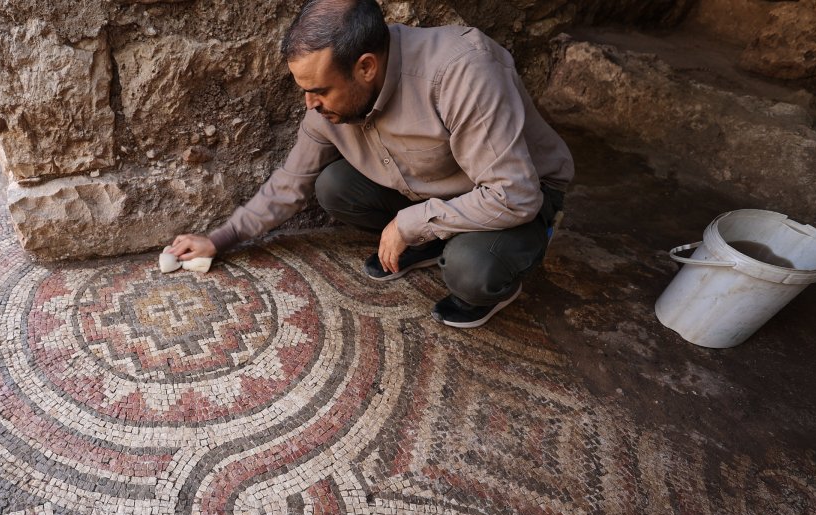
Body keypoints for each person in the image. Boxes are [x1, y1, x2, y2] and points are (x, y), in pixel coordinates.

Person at [166, 0, 574, 328]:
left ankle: (496, 272)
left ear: (365, 67)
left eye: (319, 90)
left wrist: (407, 224)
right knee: (333, 186)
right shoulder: (326, 105)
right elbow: (290, 183)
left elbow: (514, 194)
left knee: (472, 270)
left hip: (519, 197)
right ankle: (434, 240)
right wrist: (219, 239)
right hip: (430, 188)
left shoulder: (461, 70)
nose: (310, 104)